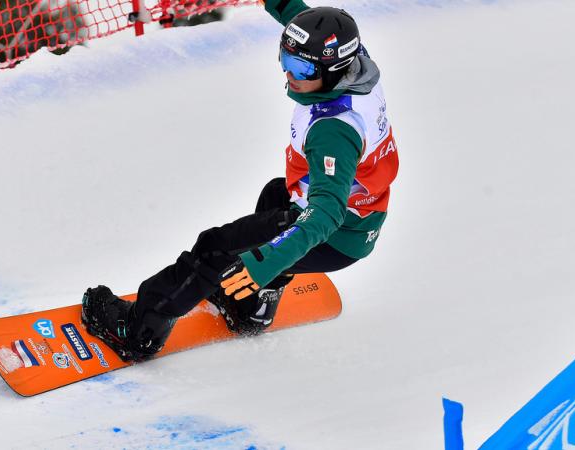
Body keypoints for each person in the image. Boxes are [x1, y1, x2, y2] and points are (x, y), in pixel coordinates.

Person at [81, 0, 399, 362]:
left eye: (299, 67)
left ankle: (138, 331)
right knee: (276, 194)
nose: (288, 73)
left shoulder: (333, 130)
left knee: (216, 250)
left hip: (333, 232)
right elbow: (295, 14)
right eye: (284, 59)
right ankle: (251, 305)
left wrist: (262, 263)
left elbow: (325, 214)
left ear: (332, 69)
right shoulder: (358, 65)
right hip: (361, 219)